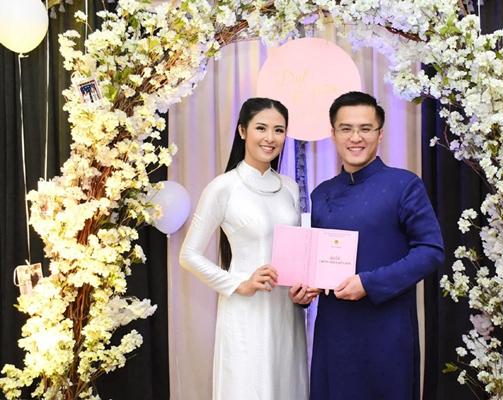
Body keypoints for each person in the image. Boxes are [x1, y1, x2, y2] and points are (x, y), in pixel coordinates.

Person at [301, 91, 445, 400]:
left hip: (386, 329)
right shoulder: (321, 193)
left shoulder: (404, 185)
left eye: (365, 129)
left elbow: (431, 250)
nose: (356, 138)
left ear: (379, 134)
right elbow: (315, 260)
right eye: (346, 129)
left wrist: (369, 283)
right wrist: (303, 290)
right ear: (333, 134)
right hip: (334, 330)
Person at [179, 98, 315, 400]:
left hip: (286, 311)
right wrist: (238, 283)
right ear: (242, 131)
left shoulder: (290, 187)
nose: (270, 138)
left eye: (279, 130)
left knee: (286, 386)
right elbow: (188, 255)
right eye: (261, 128)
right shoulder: (223, 187)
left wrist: (303, 289)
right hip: (246, 311)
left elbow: (296, 249)